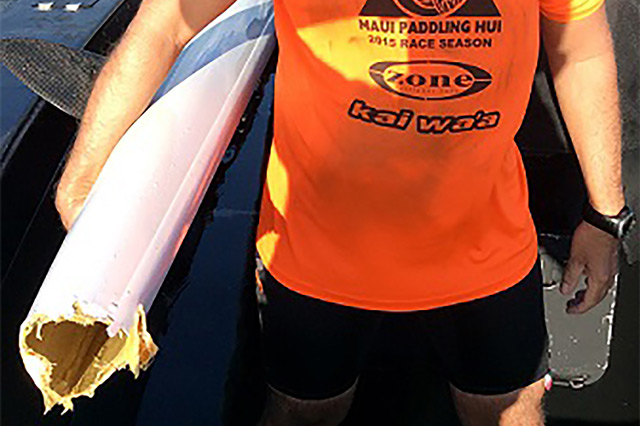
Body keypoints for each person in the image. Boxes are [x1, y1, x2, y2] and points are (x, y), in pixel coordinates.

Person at [55, 0, 635, 424]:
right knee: (305, 412)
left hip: (486, 245)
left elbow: (580, 49)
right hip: (316, 256)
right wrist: (81, 182)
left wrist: (606, 214)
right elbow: (166, 23)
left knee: (509, 412)